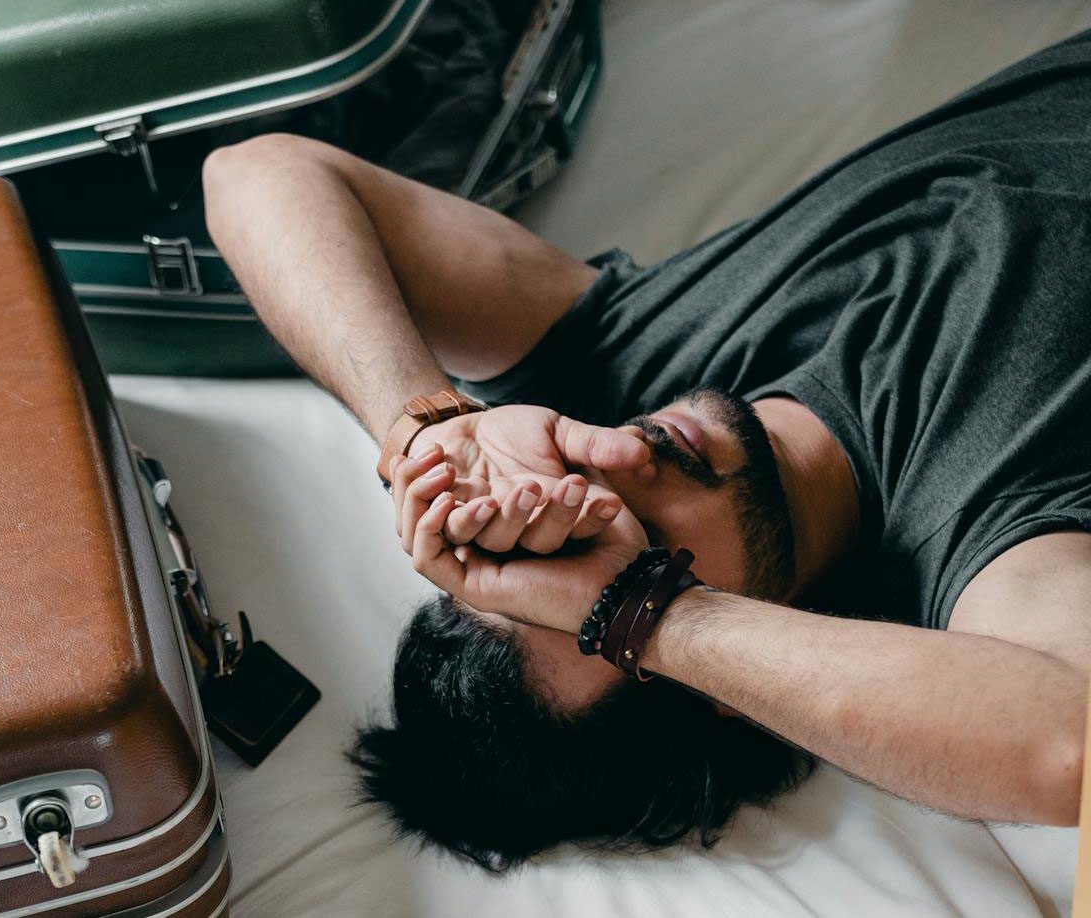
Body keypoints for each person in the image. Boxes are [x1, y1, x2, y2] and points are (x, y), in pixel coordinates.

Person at [201, 30, 1091, 870]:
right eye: (611, 556)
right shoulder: (979, 527)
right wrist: (649, 613)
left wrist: (424, 430)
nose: (607, 478)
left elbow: (258, 171)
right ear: (727, 689)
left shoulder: (632, 360)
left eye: (542, 531)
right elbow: (1071, 741)